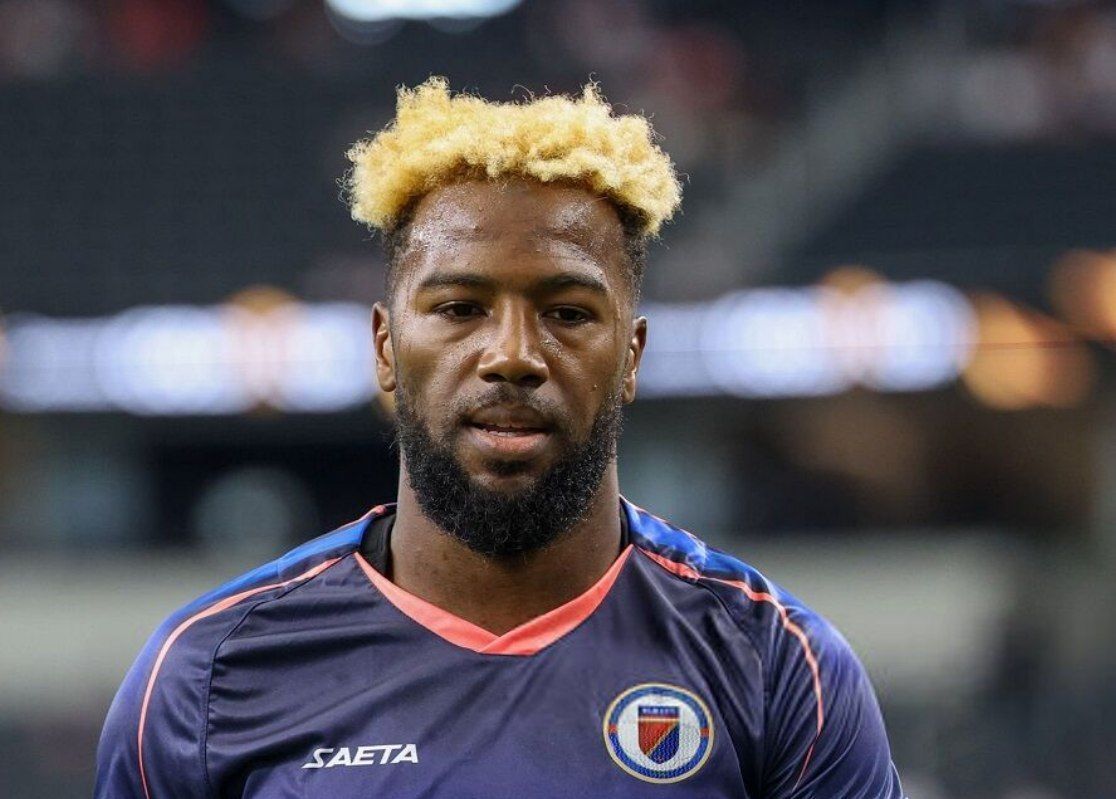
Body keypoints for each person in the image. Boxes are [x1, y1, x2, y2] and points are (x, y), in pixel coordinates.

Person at [95, 77, 904, 798]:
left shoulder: (775, 668)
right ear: (386, 349)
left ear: (631, 356)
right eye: (459, 308)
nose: (512, 354)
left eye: (568, 312)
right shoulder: (206, 677)